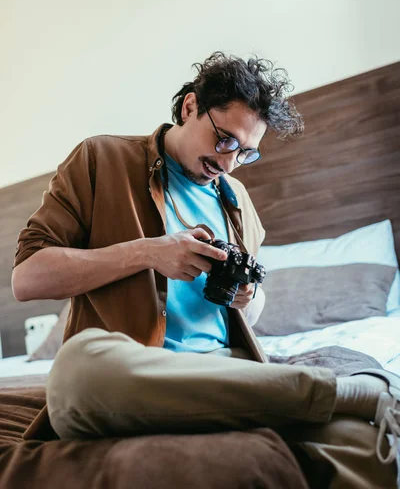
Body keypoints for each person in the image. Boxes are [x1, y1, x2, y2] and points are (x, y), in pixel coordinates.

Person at [12, 52, 399, 488]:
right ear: (190, 107)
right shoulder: (100, 159)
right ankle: (345, 394)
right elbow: (27, 279)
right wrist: (148, 253)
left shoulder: (235, 198)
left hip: (226, 368)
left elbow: (251, 315)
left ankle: (321, 398)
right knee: (76, 370)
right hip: (134, 373)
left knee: (360, 443)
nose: (230, 163)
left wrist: (248, 298)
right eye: (226, 140)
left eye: (247, 153)